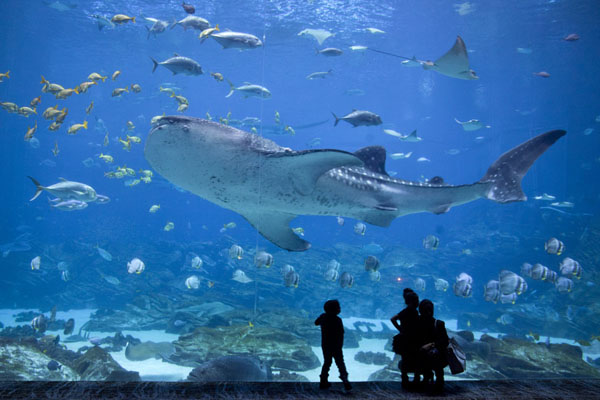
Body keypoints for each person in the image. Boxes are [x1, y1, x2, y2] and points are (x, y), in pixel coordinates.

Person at [315, 299, 352, 391]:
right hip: (336, 345)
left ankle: (323, 381)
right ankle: (345, 379)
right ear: (336, 309)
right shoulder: (338, 319)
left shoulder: (323, 317)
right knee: (340, 362)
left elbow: (316, 323)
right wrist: (340, 345)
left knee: (327, 362)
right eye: (339, 307)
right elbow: (341, 333)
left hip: (325, 344)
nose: (340, 309)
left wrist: (322, 316)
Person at [416, 299, 449, 391]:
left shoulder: (438, 324)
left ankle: (439, 379)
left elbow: (445, 341)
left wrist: (431, 345)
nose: (428, 313)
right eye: (425, 310)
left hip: (436, 354)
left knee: (434, 354)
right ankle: (427, 376)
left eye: (429, 310)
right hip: (420, 352)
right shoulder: (416, 323)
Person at [390, 288, 420, 387]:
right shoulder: (413, 312)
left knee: (406, 359)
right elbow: (393, 319)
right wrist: (401, 329)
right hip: (412, 339)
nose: (417, 302)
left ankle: (405, 378)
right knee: (414, 359)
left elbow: (393, 319)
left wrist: (400, 329)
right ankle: (415, 378)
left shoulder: (406, 311)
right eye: (416, 301)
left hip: (405, 338)